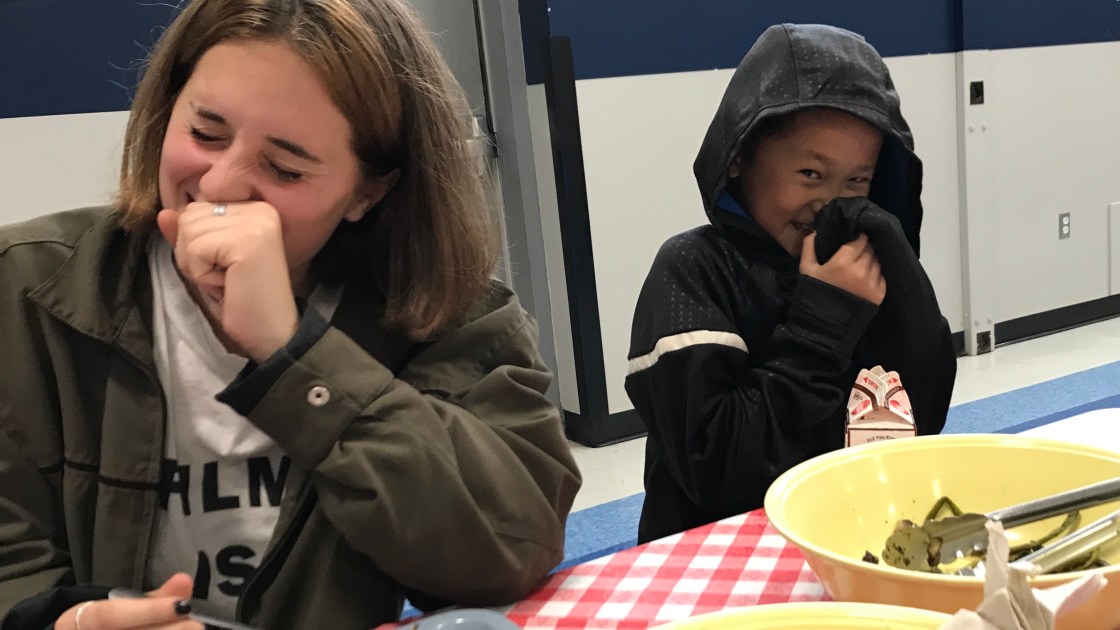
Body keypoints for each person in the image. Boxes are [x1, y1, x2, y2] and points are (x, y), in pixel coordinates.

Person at [0, 1, 581, 628]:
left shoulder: (444, 311)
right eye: (205, 134)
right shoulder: (27, 287)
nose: (220, 187)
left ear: (367, 190)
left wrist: (293, 355)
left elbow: (505, 551)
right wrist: (66, 621)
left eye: (284, 168)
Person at [625, 24, 956, 544]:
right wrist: (822, 323)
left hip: (849, 538)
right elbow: (718, 472)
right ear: (739, 160)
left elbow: (922, 421)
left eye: (857, 181)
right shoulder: (692, 271)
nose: (831, 202)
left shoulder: (865, 260)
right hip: (718, 558)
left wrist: (903, 277)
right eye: (810, 174)